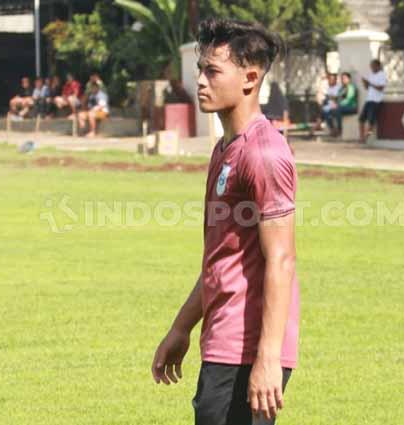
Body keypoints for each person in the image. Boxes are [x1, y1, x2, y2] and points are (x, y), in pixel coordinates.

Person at [151, 18, 300, 425]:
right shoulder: (226, 149)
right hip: (221, 341)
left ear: (250, 78)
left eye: (212, 71)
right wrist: (181, 329)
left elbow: (281, 260)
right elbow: (222, 260)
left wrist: (267, 359)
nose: (200, 80)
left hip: (247, 349)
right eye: (200, 69)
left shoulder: (264, 154)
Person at [359, 59, 387, 143]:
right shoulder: (371, 75)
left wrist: (370, 83)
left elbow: (381, 88)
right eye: (371, 66)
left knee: (371, 121)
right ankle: (361, 137)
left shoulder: (382, 75)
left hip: (376, 101)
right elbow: (367, 88)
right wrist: (365, 83)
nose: (372, 68)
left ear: (378, 66)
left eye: (373, 66)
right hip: (369, 99)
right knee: (361, 119)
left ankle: (366, 137)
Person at [330, 72, 358, 136]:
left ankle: (339, 129)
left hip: (351, 107)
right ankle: (333, 130)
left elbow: (349, 99)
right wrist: (334, 102)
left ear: (349, 79)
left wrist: (339, 104)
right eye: (342, 78)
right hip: (343, 107)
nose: (343, 80)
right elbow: (338, 97)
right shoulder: (342, 88)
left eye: (345, 78)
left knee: (338, 109)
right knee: (329, 111)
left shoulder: (351, 87)